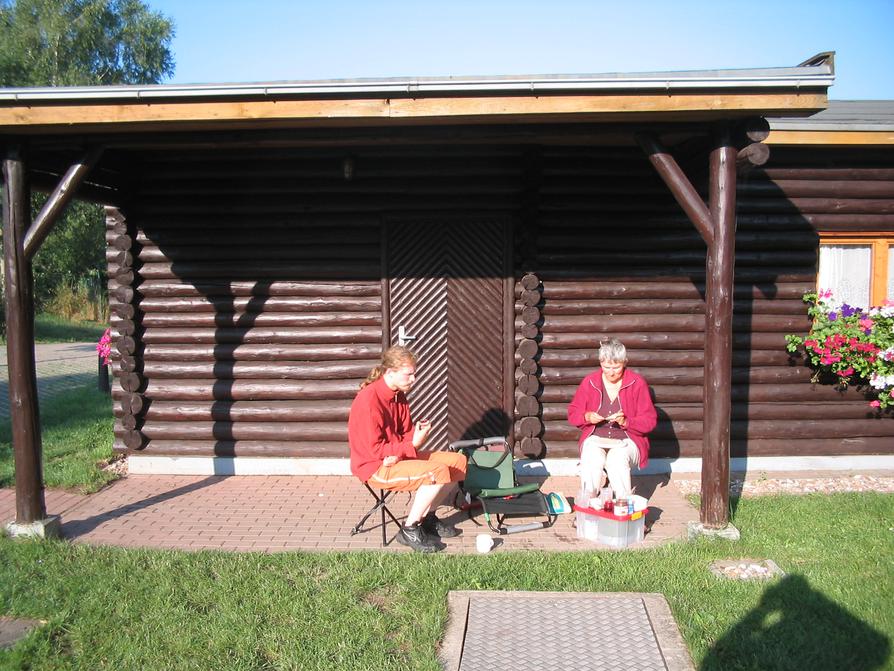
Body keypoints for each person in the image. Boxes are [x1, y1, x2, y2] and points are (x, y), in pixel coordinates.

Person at [348, 346, 467, 553]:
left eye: (414, 373)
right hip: (373, 466)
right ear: (390, 372)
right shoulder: (369, 400)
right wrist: (411, 445)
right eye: (409, 374)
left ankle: (427, 518)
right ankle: (409, 529)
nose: (413, 379)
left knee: (457, 462)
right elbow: (373, 449)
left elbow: (403, 435)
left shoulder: (398, 396)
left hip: (394, 457)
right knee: (436, 472)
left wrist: (415, 435)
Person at [567, 338, 657, 500]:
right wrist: (587, 417)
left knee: (617, 459)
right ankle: (588, 505)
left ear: (625, 362)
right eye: (606, 367)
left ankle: (624, 506)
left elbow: (649, 421)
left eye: (616, 367)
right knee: (591, 458)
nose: (611, 372)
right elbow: (573, 413)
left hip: (629, 439)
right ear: (600, 363)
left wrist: (626, 422)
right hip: (596, 437)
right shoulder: (590, 382)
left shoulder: (637, 383)